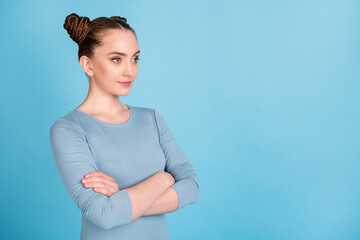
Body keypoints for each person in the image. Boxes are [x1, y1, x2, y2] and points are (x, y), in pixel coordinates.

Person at [49, 13, 199, 240]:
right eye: (116, 59)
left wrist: (120, 197)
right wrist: (164, 178)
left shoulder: (152, 119)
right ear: (88, 65)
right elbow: (104, 214)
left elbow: (192, 188)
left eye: (135, 58)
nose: (130, 70)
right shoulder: (68, 129)